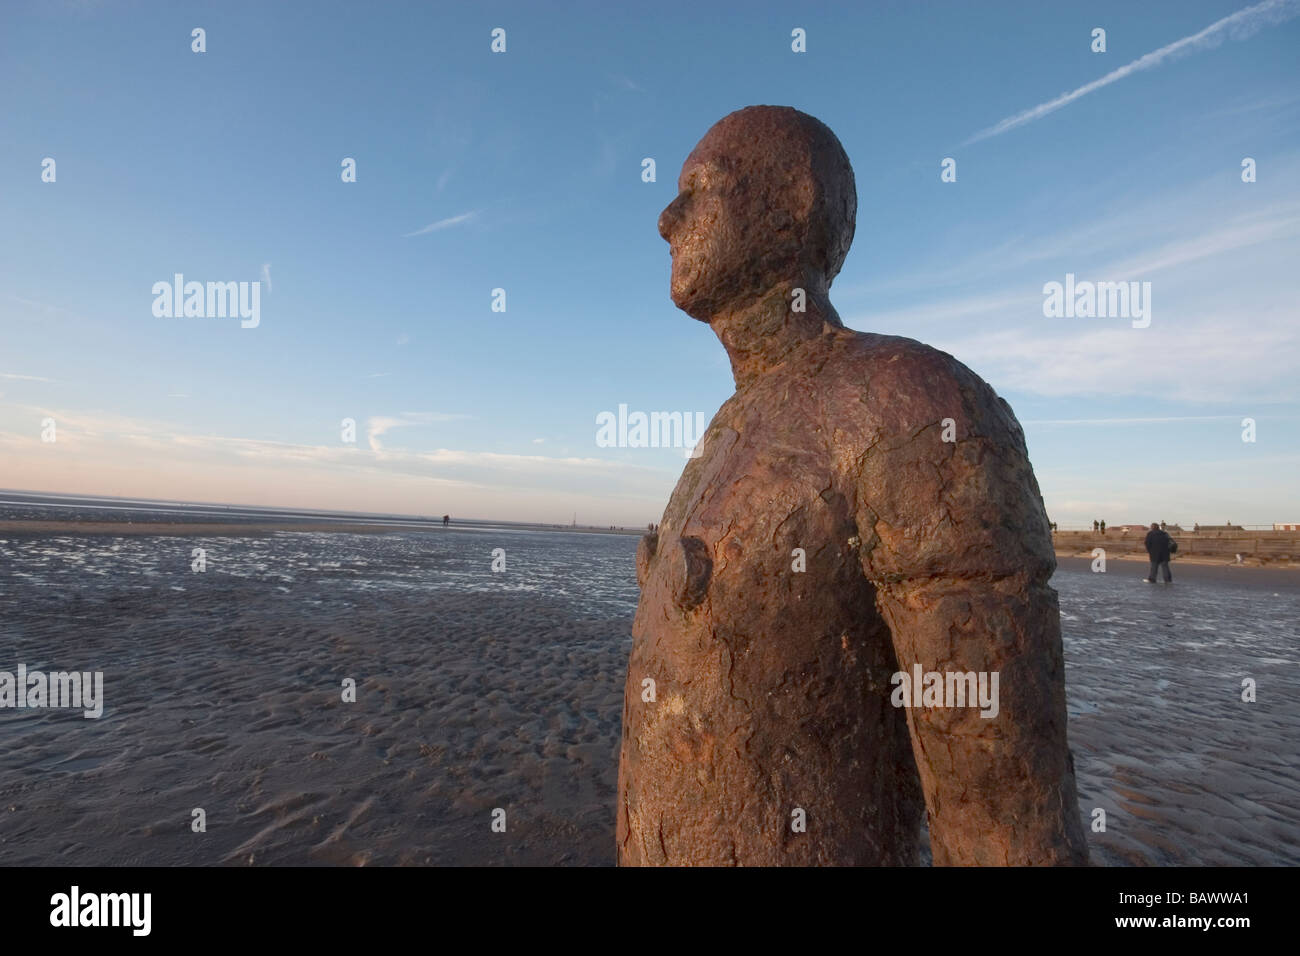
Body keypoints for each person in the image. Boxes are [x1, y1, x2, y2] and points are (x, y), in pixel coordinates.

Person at [618, 106, 1087, 866]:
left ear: (793, 204)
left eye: (700, 190)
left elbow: (1004, 810)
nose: (668, 219)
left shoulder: (914, 404)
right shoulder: (728, 432)